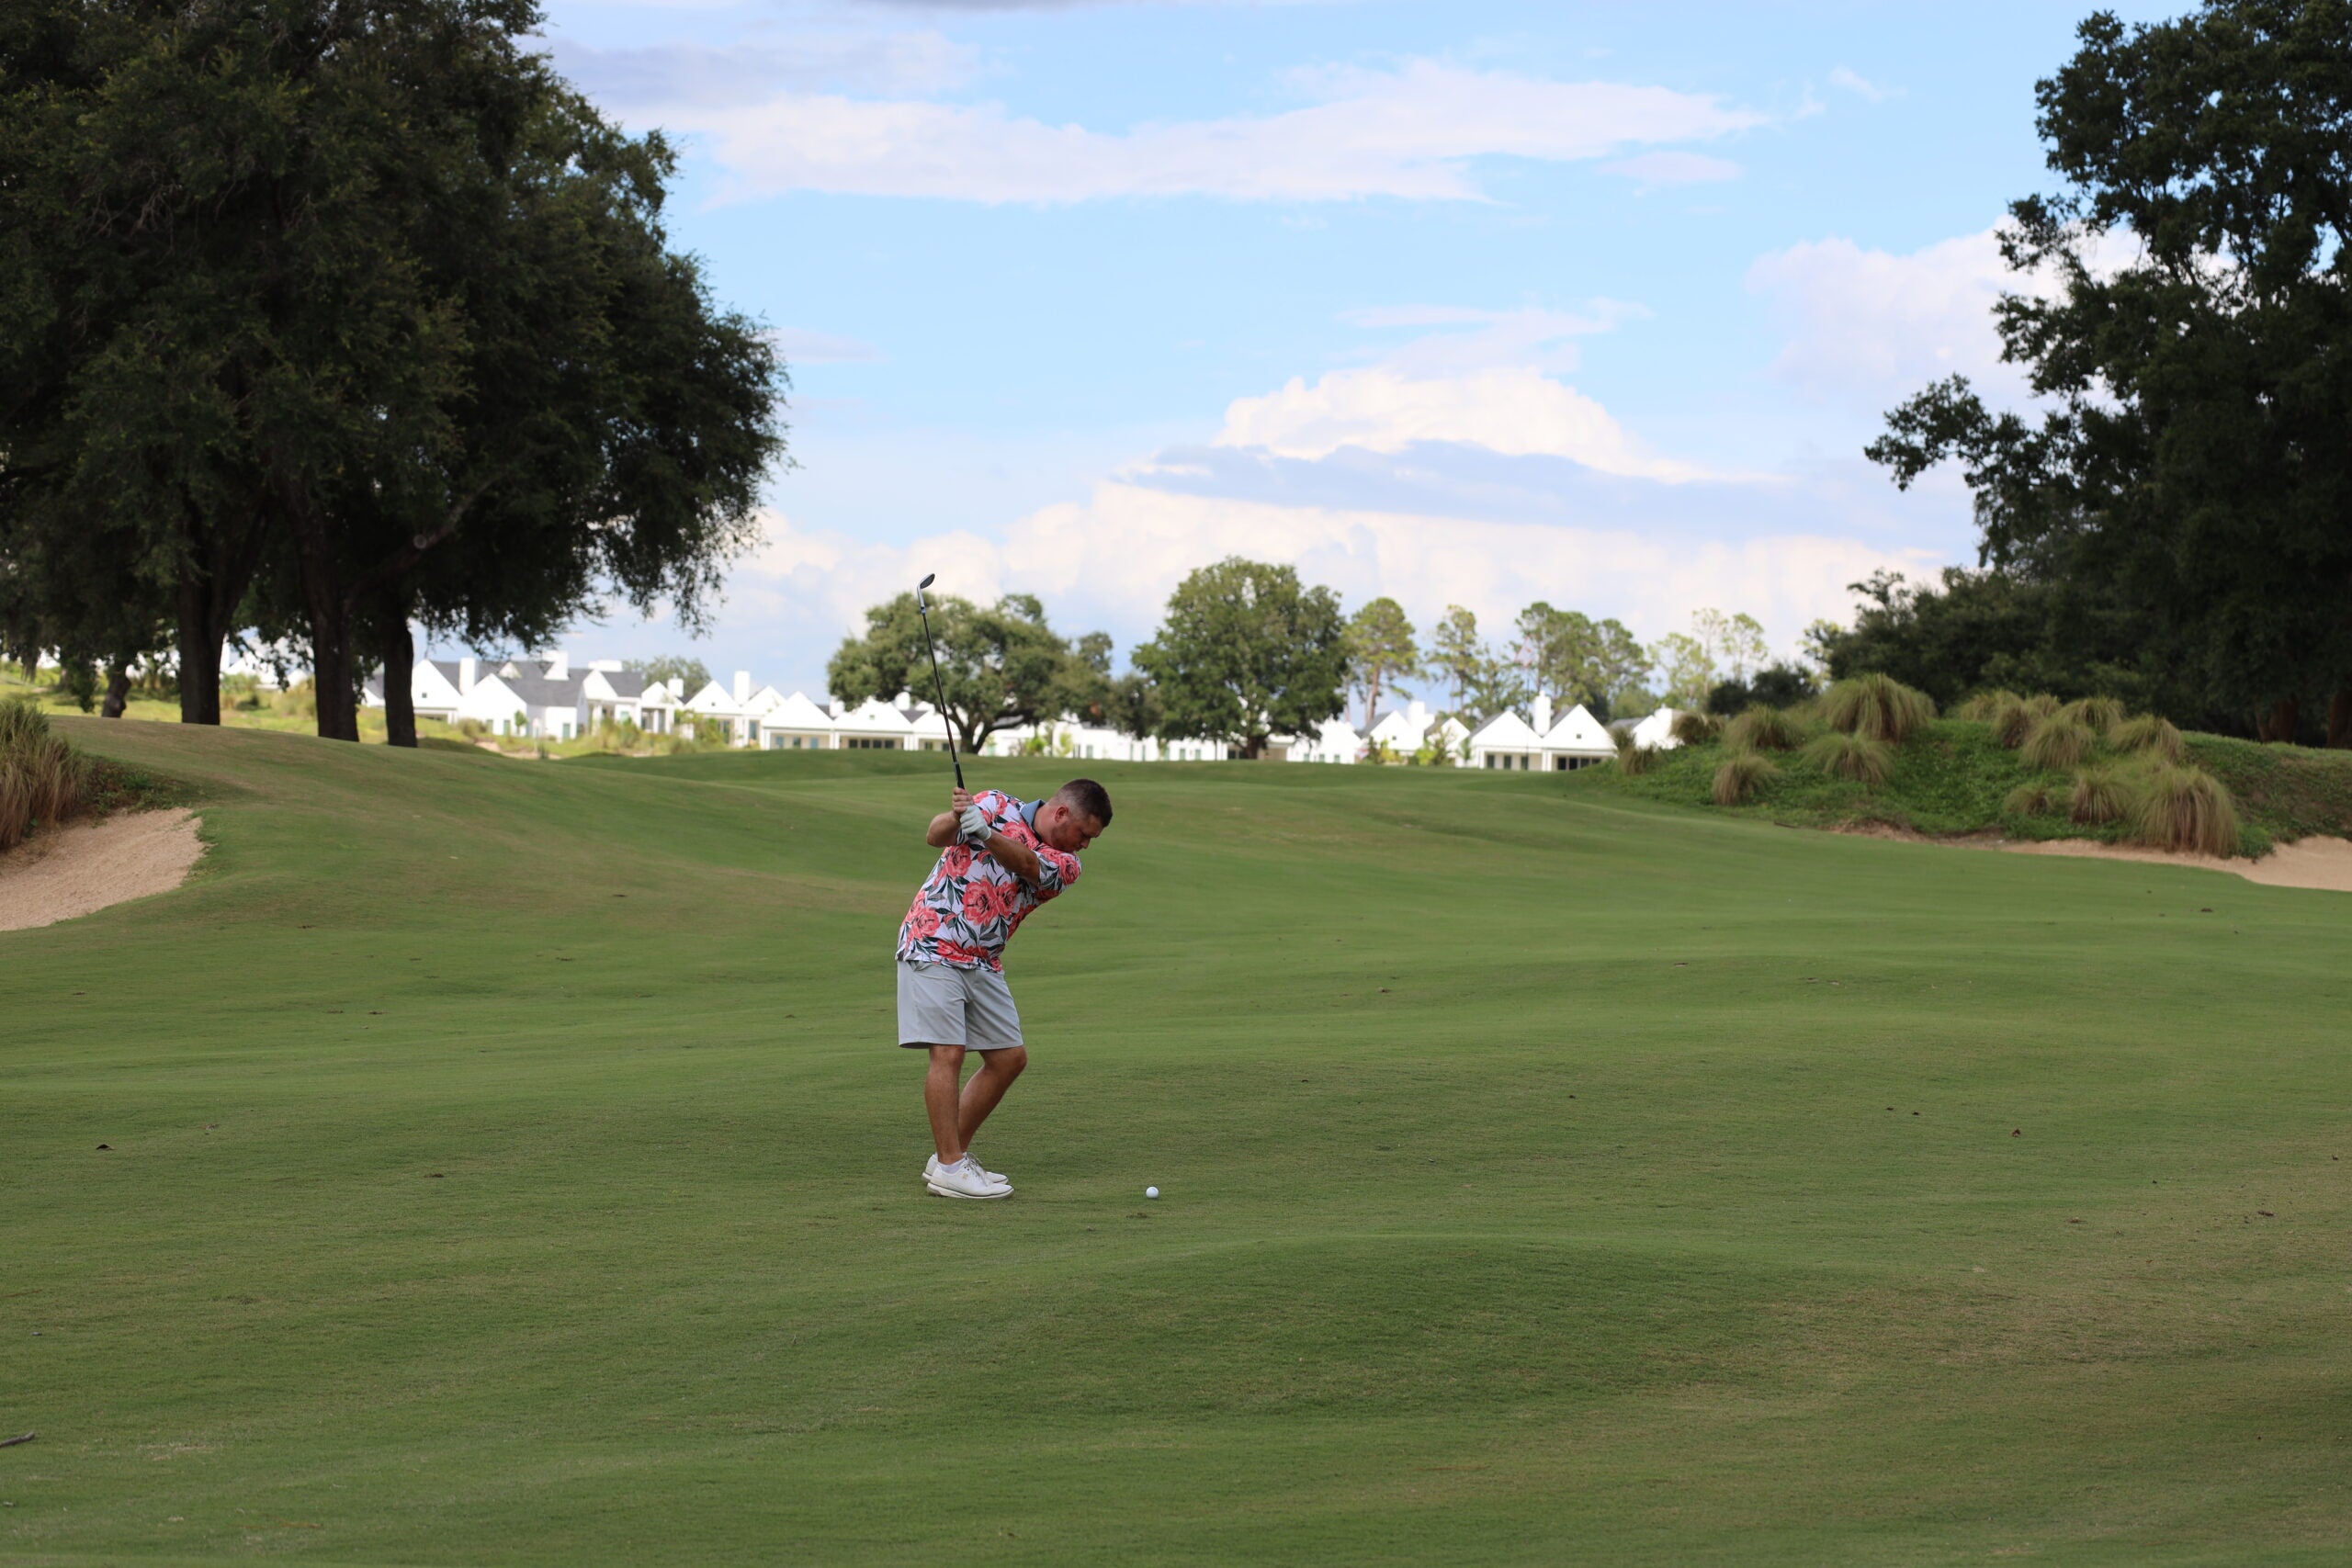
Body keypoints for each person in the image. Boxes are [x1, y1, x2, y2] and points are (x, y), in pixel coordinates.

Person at [897, 777, 1113, 1199]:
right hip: (932, 939)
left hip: (983, 960)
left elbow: (1029, 866)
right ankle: (950, 1166)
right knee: (949, 1051)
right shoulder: (993, 803)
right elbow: (934, 835)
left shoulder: (1066, 863)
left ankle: (948, 1155)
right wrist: (959, 817)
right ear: (1062, 812)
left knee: (1009, 1058)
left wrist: (984, 831)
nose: (1085, 845)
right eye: (1084, 834)